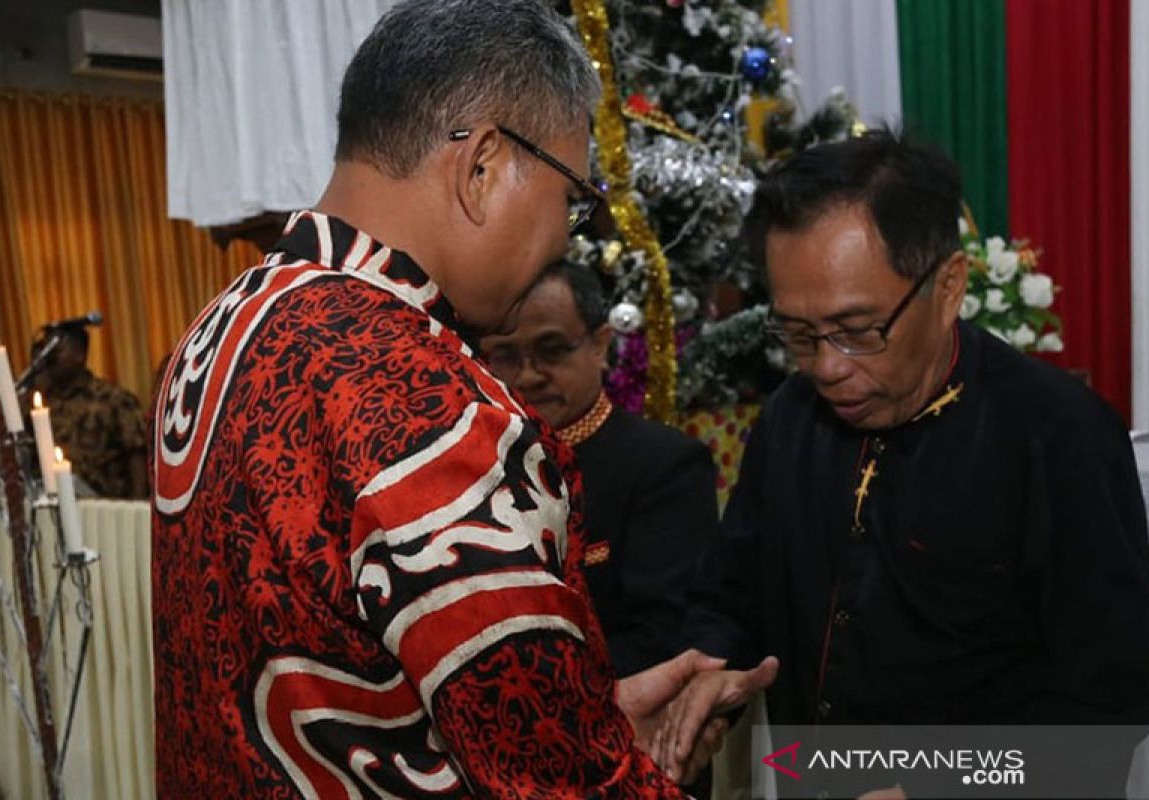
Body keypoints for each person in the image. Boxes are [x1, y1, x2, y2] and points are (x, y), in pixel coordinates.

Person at [150, 2, 771, 796]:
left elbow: (328, 672)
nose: (565, 237)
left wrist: (582, 720)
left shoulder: (220, 331)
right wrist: (604, 766)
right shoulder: (430, 401)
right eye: (570, 199)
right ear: (481, 167)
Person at [660, 130, 1149, 795]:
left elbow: (1110, 708)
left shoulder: (1059, 436)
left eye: (859, 330)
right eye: (799, 334)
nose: (829, 368)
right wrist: (711, 673)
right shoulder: (789, 418)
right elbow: (732, 590)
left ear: (948, 286)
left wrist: (932, 788)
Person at [480, 261, 719, 678]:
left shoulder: (664, 465)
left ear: (600, 345)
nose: (529, 375)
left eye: (551, 349)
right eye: (505, 355)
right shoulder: (470, 464)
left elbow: (662, 637)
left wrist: (539, 690)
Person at [27, 323, 147, 498]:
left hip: (103, 506)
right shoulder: (39, 402)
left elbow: (136, 455)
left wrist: (138, 507)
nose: (50, 358)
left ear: (79, 355)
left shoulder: (112, 399)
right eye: (47, 352)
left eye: (57, 351)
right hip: (51, 501)